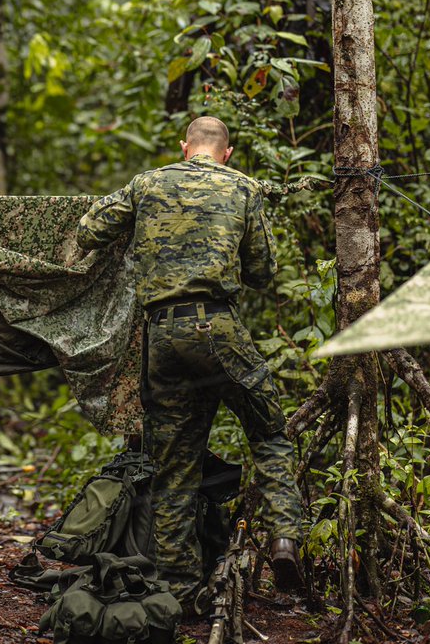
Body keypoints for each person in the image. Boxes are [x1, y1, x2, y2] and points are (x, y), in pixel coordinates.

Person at [76, 116, 303, 609]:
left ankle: (179, 594)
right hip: (216, 328)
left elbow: (90, 228)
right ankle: (285, 537)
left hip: (160, 336)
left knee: (175, 467)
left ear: (185, 148)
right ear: (227, 151)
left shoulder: (147, 184)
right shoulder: (244, 188)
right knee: (269, 431)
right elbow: (264, 273)